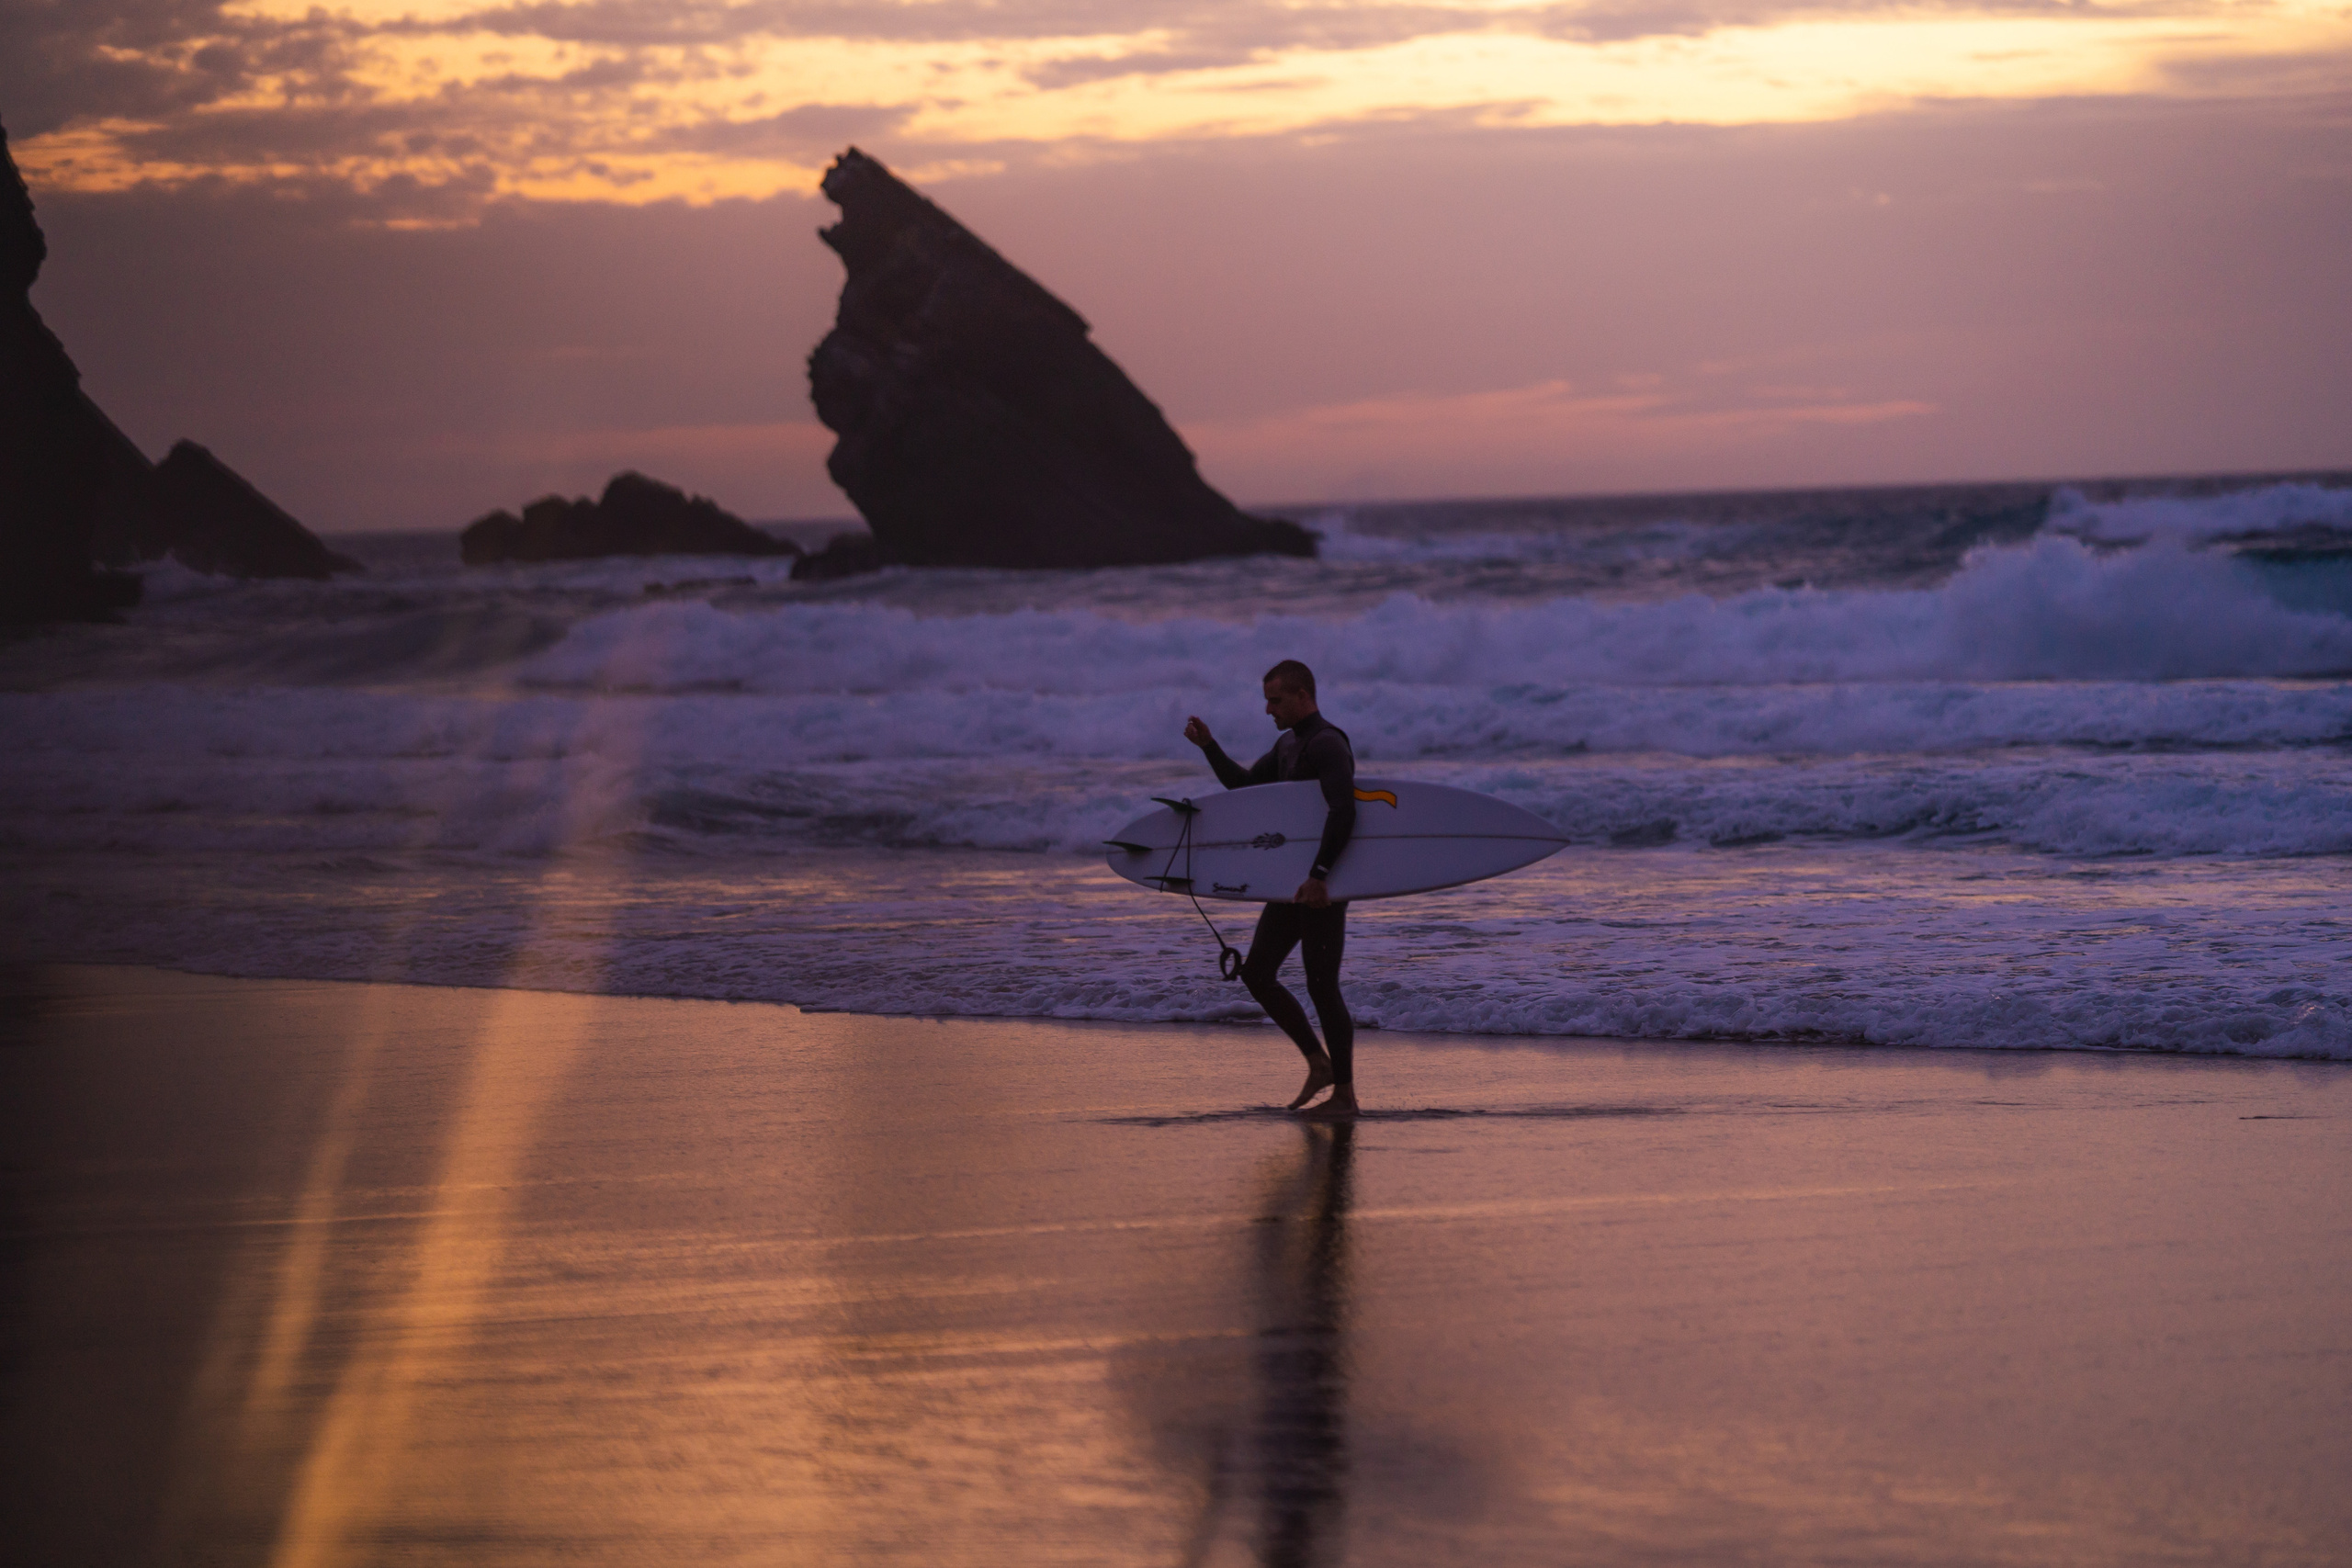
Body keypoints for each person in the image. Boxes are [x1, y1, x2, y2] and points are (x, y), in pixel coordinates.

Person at [1183, 660, 1361, 1118]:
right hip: (1289, 884)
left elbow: (1344, 812)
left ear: (1303, 695)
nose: (1268, 709)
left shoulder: (1327, 745)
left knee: (1323, 987)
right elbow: (1242, 787)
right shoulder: (1287, 746)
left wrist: (1320, 876)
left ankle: (1345, 1095)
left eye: (1276, 699)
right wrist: (1209, 746)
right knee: (1257, 974)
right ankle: (1318, 1064)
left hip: (1321, 884)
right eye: (1266, 699)